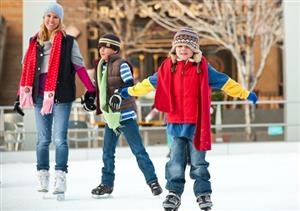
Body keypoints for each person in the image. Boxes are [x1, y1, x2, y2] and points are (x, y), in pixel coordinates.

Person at [120, 27, 257, 211]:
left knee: (199, 163)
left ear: (194, 49)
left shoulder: (203, 68)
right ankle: (174, 193)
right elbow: (148, 83)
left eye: (187, 46)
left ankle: (203, 193)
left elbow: (226, 82)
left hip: (197, 125)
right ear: (174, 48)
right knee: (175, 162)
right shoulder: (167, 68)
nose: (183, 49)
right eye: (179, 46)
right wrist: (130, 91)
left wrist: (245, 94)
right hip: (176, 124)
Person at [13, 2, 96, 199]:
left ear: (60, 20)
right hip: (40, 97)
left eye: (55, 17)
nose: (51, 20)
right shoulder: (34, 42)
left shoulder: (68, 42)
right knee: (43, 140)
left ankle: (60, 176)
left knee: (60, 139)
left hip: (62, 96)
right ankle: (43, 174)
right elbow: (26, 72)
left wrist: (91, 90)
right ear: (44, 18)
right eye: (48, 16)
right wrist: (19, 96)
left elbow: (79, 67)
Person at [90, 34, 162, 198]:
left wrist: (118, 94)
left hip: (126, 114)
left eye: (106, 46)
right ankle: (107, 184)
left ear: (114, 49)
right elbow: (100, 89)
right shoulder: (101, 66)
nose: (102, 49)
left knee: (138, 151)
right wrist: (90, 97)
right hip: (111, 116)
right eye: (100, 46)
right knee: (107, 152)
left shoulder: (121, 64)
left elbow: (129, 84)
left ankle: (153, 182)